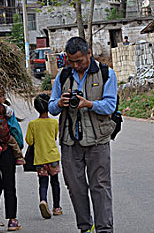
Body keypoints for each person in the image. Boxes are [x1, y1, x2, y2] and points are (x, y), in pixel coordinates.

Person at [49, 36, 118, 233]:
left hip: (98, 139)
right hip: (70, 141)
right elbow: (51, 107)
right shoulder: (63, 76)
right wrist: (60, 103)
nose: (75, 65)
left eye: (79, 60)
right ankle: (85, 228)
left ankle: (104, 229)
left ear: (89, 53)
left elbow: (110, 105)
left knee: (100, 186)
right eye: (71, 61)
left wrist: (88, 104)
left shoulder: (106, 74)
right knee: (76, 187)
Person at [25, 93, 63, 219]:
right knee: (55, 182)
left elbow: (29, 141)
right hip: (53, 157)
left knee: (43, 182)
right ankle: (57, 207)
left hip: (40, 159)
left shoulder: (32, 124)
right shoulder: (53, 123)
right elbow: (55, 137)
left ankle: (43, 201)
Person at [0, 96, 22, 231]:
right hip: (7, 150)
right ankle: (12, 220)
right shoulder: (6, 109)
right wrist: (18, 148)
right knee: (10, 185)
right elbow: (15, 129)